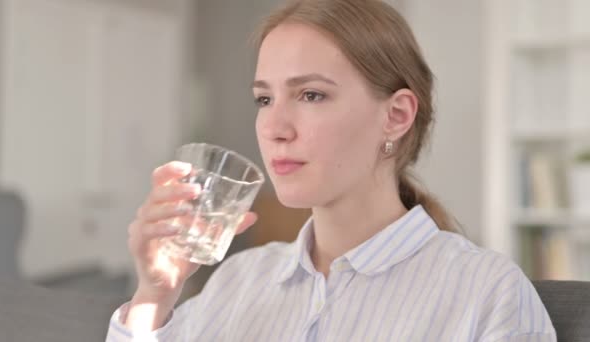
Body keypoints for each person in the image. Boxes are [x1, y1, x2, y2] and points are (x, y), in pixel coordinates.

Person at [106, 0, 556, 340]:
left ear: (396, 116)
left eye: (311, 95)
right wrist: (153, 298)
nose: (275, 128)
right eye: (265, 99)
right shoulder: (236, 282)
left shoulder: (487, 294)